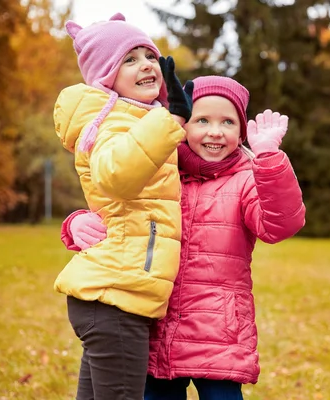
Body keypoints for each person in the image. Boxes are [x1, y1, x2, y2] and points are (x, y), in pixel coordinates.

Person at [62, 76, 306, 399]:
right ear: (182, 123)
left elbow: (279, 225)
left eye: (228, 122)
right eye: (201, 120)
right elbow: (114, 203)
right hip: (157, 329)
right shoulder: (160, 172)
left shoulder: (246, 180)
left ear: (242, 131)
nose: (215, 131)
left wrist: (268, 160)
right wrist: (76, 223)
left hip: (217, 334)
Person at [53, 13, 194, 400]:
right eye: (128, 60)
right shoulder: (113, 120)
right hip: (115, 294)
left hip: (115, 294)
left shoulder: (142, 118)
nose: (146, 65)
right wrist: (172, 119)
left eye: (148, 55)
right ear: (105, 76)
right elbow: (113, 174)